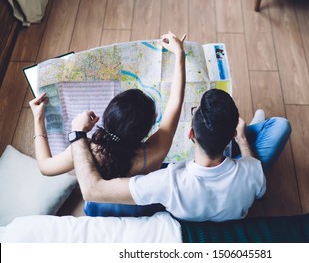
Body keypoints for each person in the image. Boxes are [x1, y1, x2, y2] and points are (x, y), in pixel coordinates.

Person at [71, 89, 291, 222]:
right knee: (279, 126)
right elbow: (261, 194)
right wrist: (243, 141)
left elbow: (91, 191)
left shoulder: (167, 181)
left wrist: (78, 134)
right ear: (232, 135)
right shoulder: (252, 170)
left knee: (93, 206)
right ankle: (249, 130)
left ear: (190, 133)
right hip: (232, 195)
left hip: (185, 210)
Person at [29, 31, 186, 180]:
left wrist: (38, 119)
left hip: (99, 204)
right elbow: (175, 102)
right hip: (138, 204)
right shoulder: (156, 150)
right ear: (146, 130)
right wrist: (179, 54)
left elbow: (45, 167)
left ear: (107, 116)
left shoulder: (85, 150)